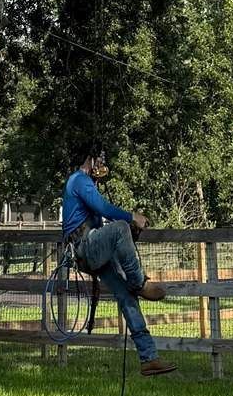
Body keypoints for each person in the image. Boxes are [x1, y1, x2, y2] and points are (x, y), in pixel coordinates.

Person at [62, 147, 175, 377]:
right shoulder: (79, 180)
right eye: (100, 160)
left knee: (126, 296)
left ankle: (149, 358)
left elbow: (99, 218)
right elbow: (103, 208)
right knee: (121, 227)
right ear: (90, 159)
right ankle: (140, 283)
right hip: (84, 246)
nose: (102, 165)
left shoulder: (85, 183)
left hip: (90, 248)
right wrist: (132, 217)